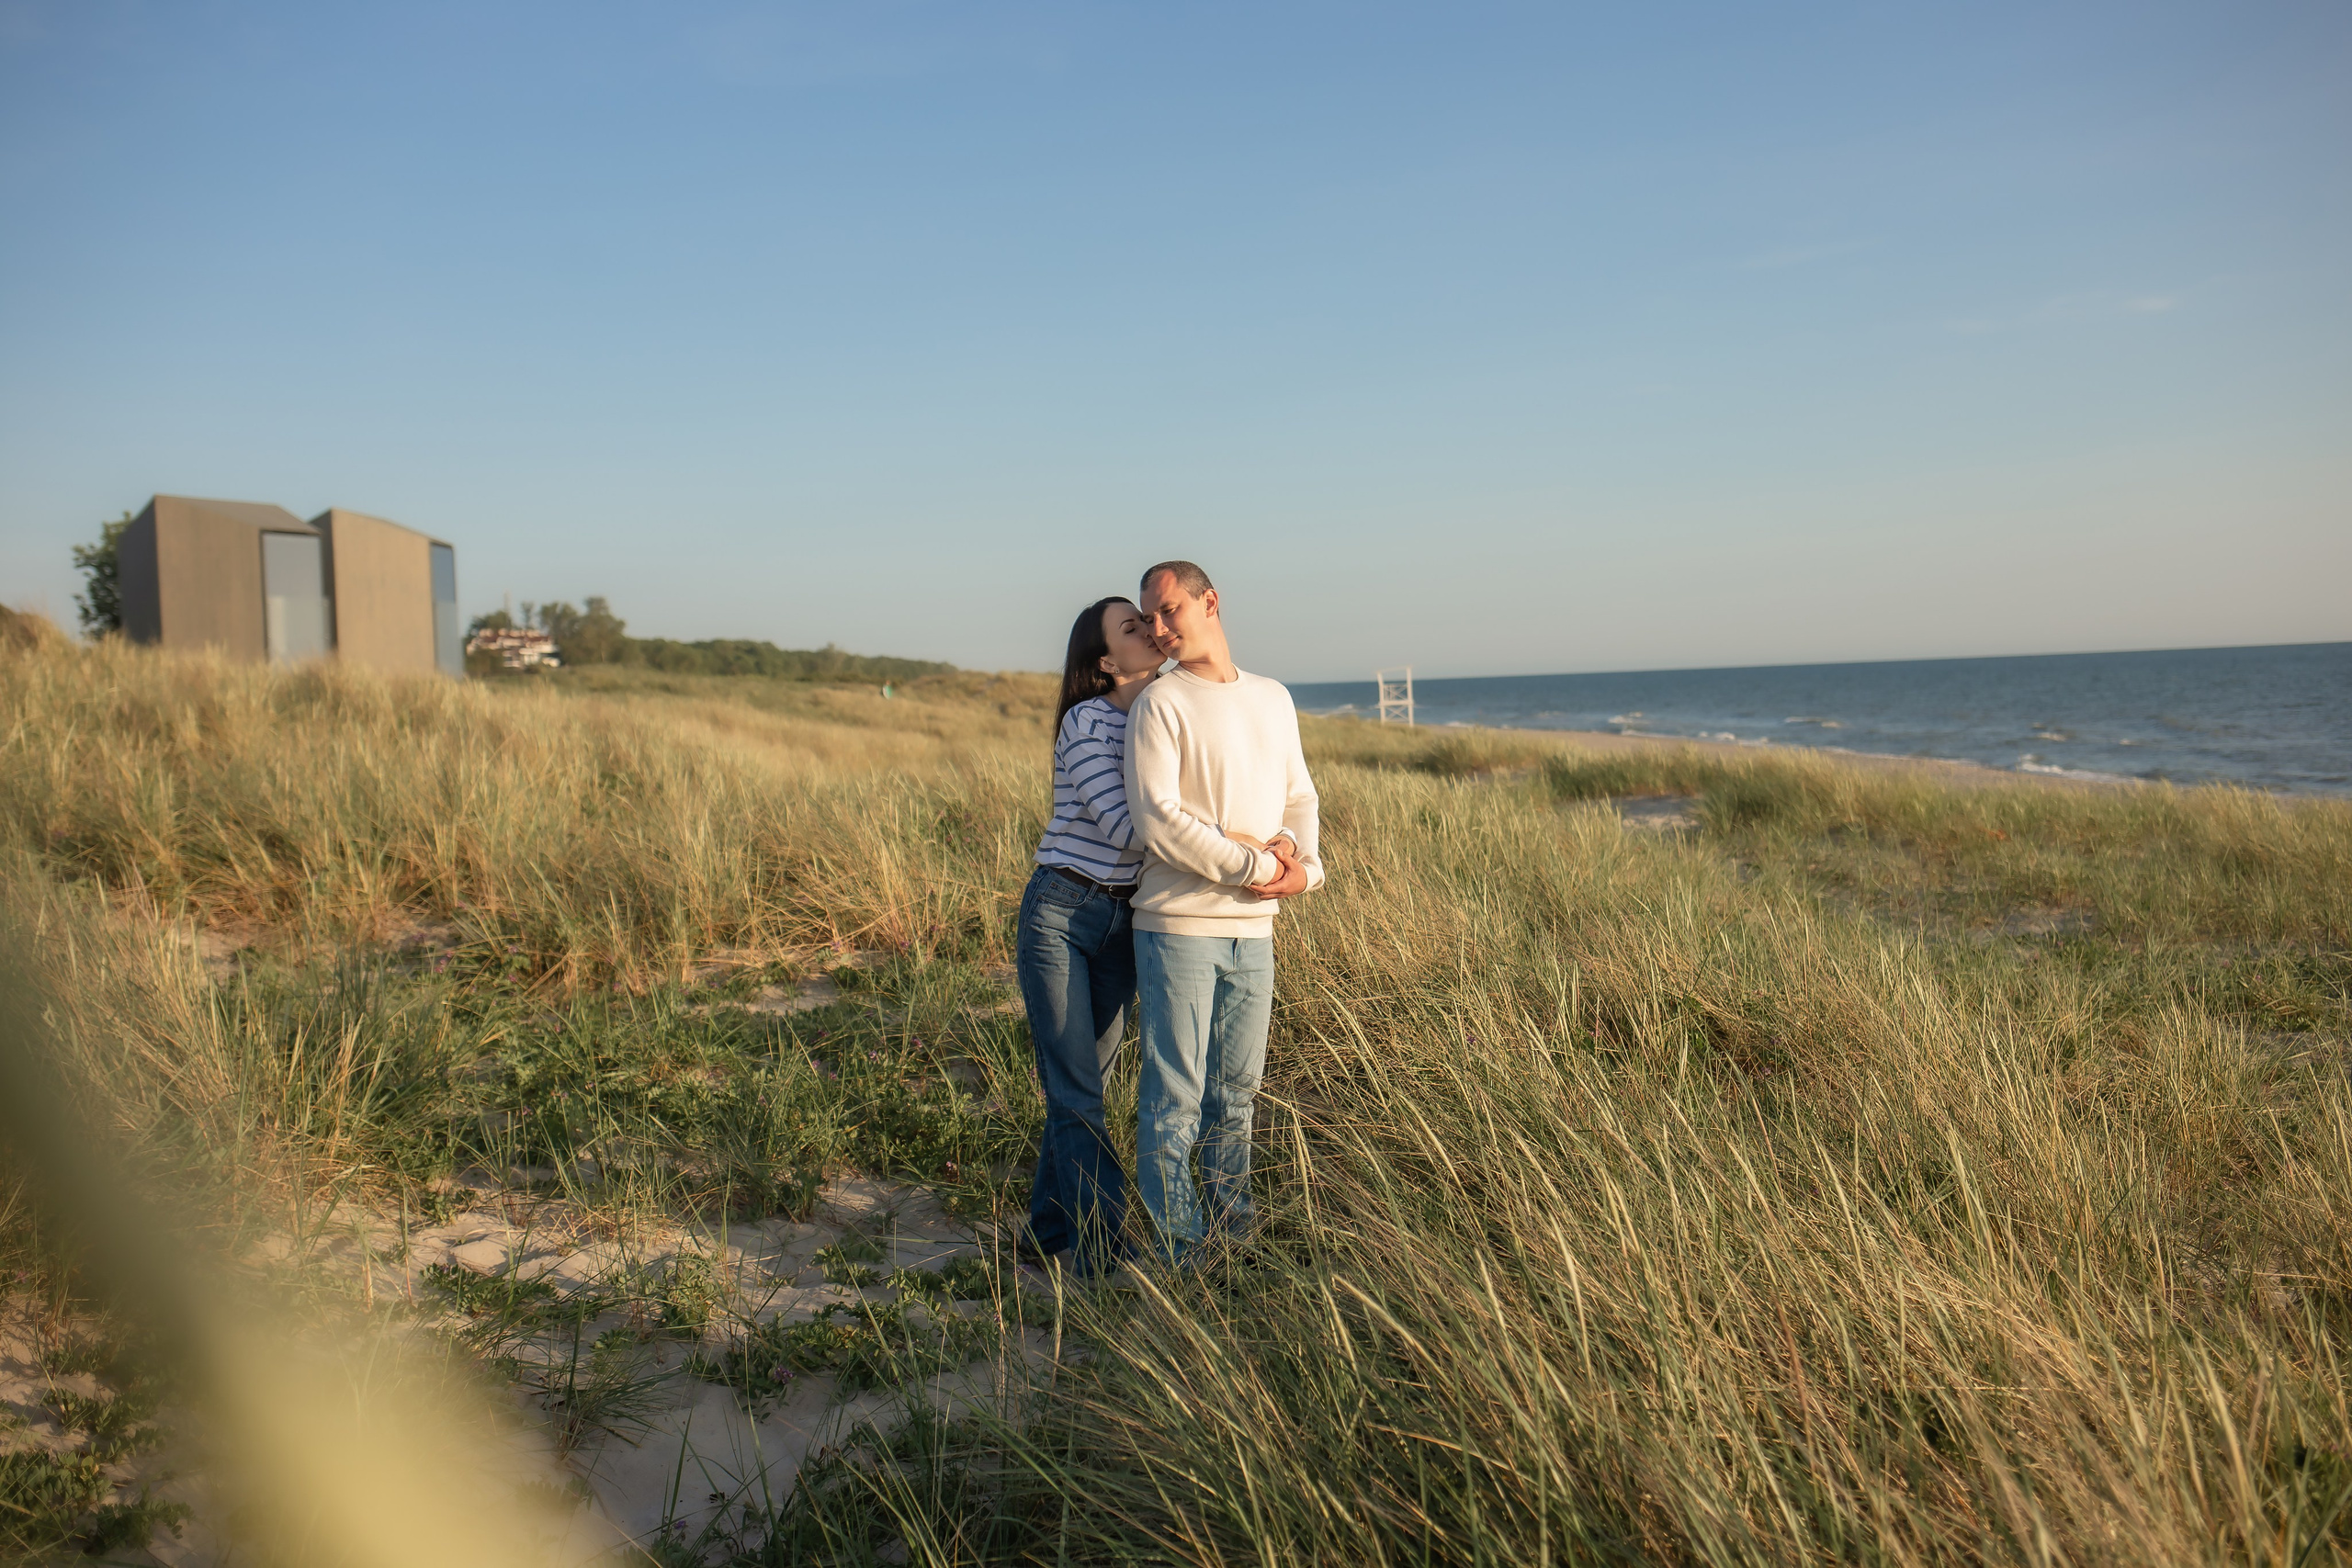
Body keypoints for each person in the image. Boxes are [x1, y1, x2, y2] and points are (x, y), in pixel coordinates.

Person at [1124, 560, 1321, 1266]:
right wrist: (1257, 866)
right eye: (1149, 619)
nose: (1158, 628)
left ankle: (1232, 1233)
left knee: (1236, 1096)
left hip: (1254, 932)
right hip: (1177, 927)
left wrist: (1298, 860)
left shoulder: (1272, 696)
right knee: (1174, 1099)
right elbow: (1159, 820)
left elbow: (1299, 797)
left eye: (1169, 610)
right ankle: (1180, 1252)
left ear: (1210, 601)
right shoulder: (1160, 702)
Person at [1013, 595, 1166, 1277]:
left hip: (1125, 922)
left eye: (1150, 620)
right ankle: (1101, 1249)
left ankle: (1045, 1232)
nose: (1151, 630)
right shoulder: (1088, 720)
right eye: (1133, 627)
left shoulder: (1164, 714)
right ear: (1106, 661)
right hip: (1063, 912)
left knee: (1086, 1085)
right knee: (1077, 1089)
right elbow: (1127, 830)